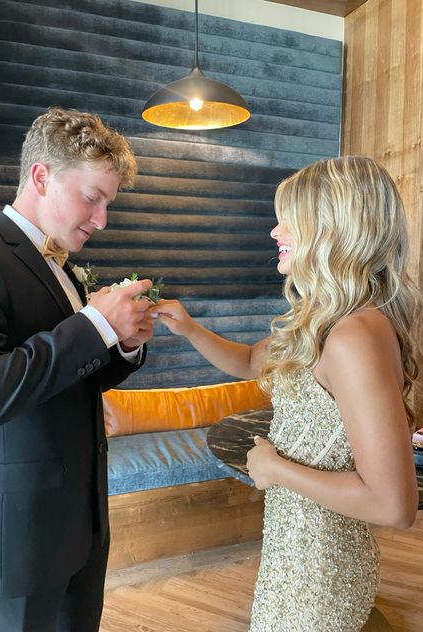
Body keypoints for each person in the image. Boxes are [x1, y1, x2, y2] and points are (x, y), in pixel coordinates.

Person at [152, 155, 420, 631]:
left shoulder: (355, 336)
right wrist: (189, 329)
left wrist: (276, 469)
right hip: (293, 556)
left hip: (319, 576)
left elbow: (392, 505)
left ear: (334, 227)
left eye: (289, 220)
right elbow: (248, 361)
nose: (275, 232)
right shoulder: (322, 320)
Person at [0, 106, 154, 631]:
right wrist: (93, 325)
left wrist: (121, 345)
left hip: (80, 526)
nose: (101, 219)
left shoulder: (62, 266)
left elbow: (67, 380)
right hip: (14, 539)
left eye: (107, 203)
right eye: (92, 197)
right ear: (41, 176)